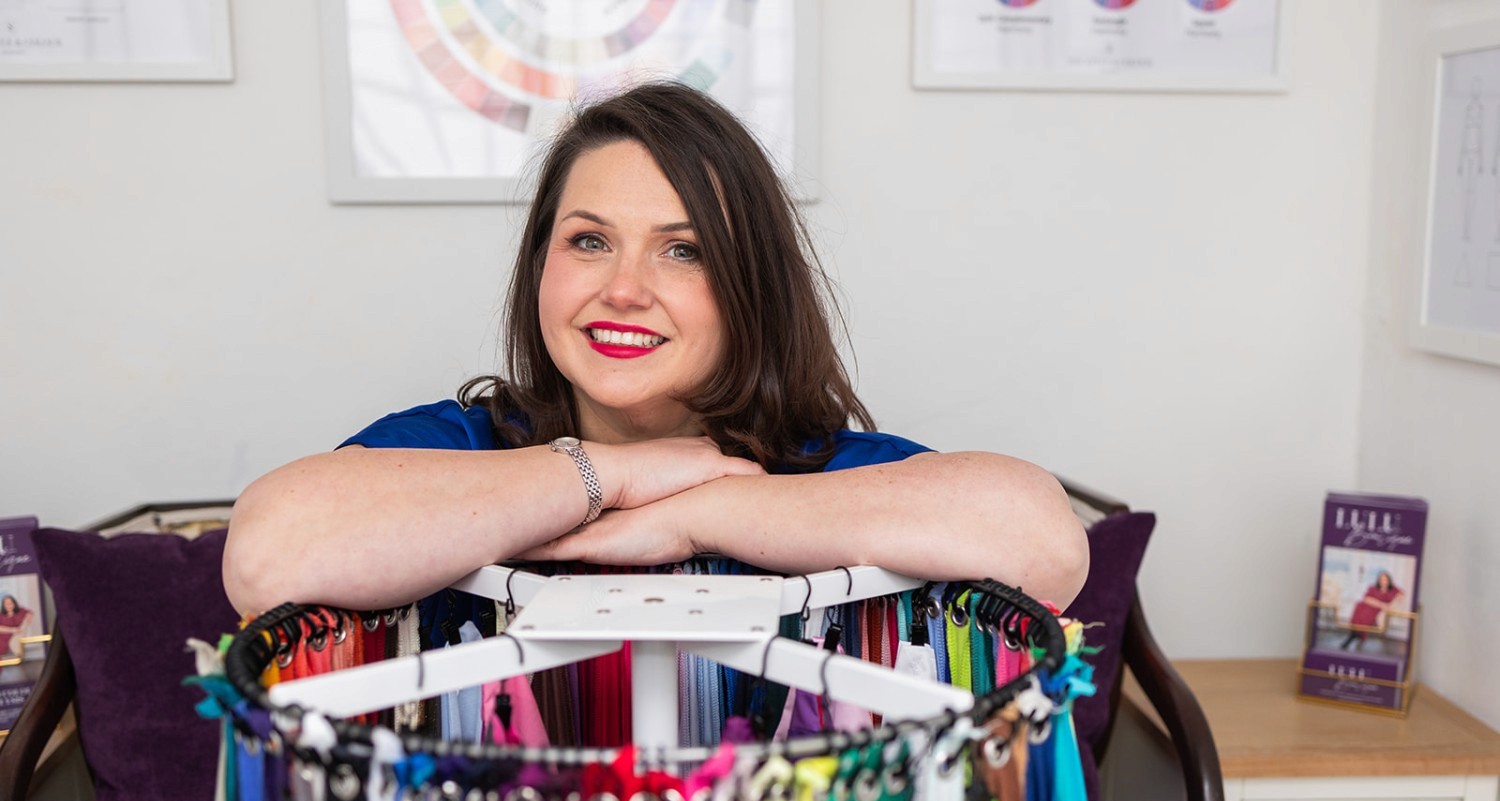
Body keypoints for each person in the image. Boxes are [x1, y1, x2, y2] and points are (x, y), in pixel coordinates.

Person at [222, 82, 1087, 617]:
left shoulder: (823, 472)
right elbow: (268, 555)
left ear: (751, 285)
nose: (624, 288)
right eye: (590, 241)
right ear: (540, 269)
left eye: (684, 250)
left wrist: (690, 511)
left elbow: (1041, 539)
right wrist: (613, 473)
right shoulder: (463, 449)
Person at [1341, 571, 1402, 651]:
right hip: (1365, 606)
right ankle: (1355, 637)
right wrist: (1382, 605)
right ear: (1379, 580)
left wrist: (1392, 605)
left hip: (1375, 610)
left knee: (1365, 617)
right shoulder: (1373, 588)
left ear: (1388, 580)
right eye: (1381, 580)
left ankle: (1352, 638)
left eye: (1385, 580)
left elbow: (1401, 595)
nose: (1383, 581)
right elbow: (1366, 599)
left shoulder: (1393, 589)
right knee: (1360, 616)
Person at [0, 594, 33, 658]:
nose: (9, 605)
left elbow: (29, 613)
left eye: (11, 603)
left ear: (14, 603)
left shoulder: (20, 611)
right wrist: (12, 630)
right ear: (3, 605)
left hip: (15, 638)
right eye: (7, 604)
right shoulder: (1, 615)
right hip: (3, 638)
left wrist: (27, 619)